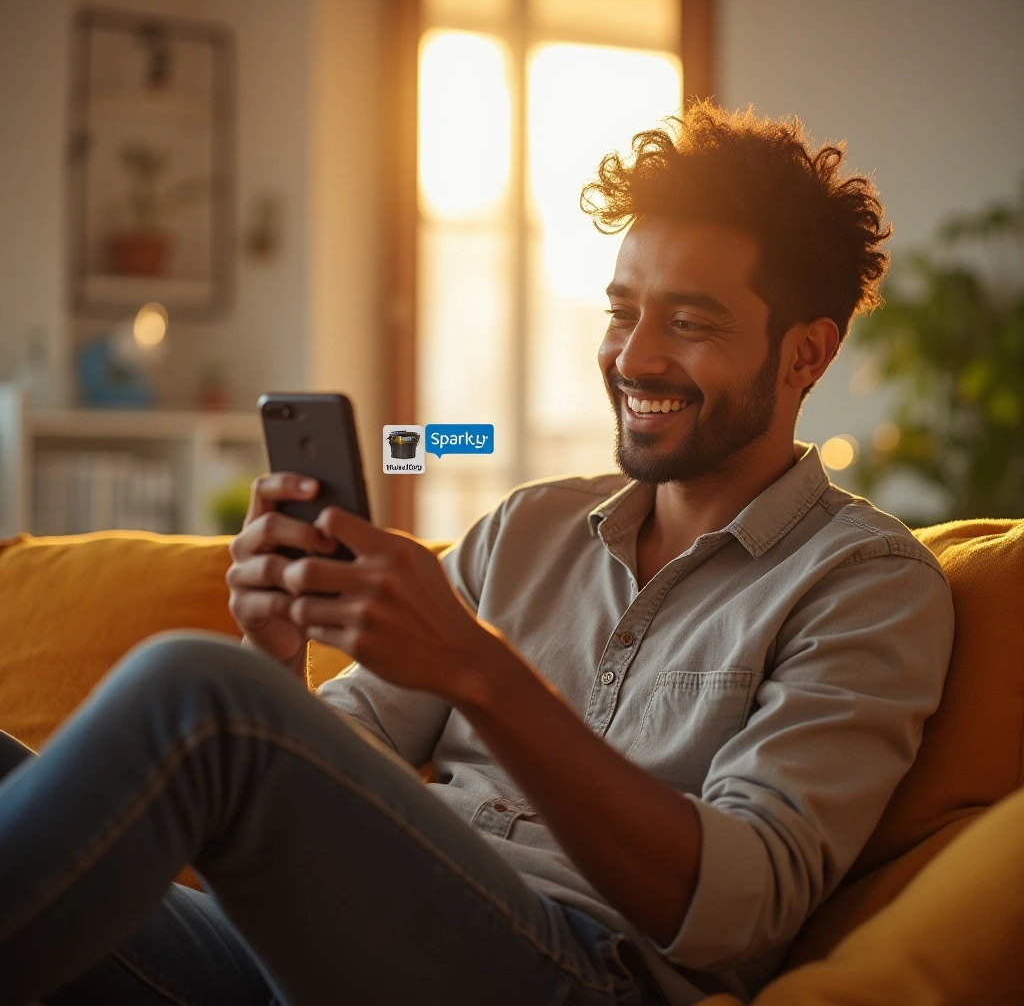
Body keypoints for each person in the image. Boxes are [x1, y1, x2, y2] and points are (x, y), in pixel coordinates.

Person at [0, 100, 954, 1006]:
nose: (634, 357)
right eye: (624, 311)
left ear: (806, 355)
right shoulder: (528, 530)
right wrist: (276, 652)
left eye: (690, 322)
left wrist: (480, 668)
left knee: (192, 689)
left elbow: (740, 910)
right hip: (343, 943)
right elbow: (314, 778)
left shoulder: (866, 583)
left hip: (580, 971)